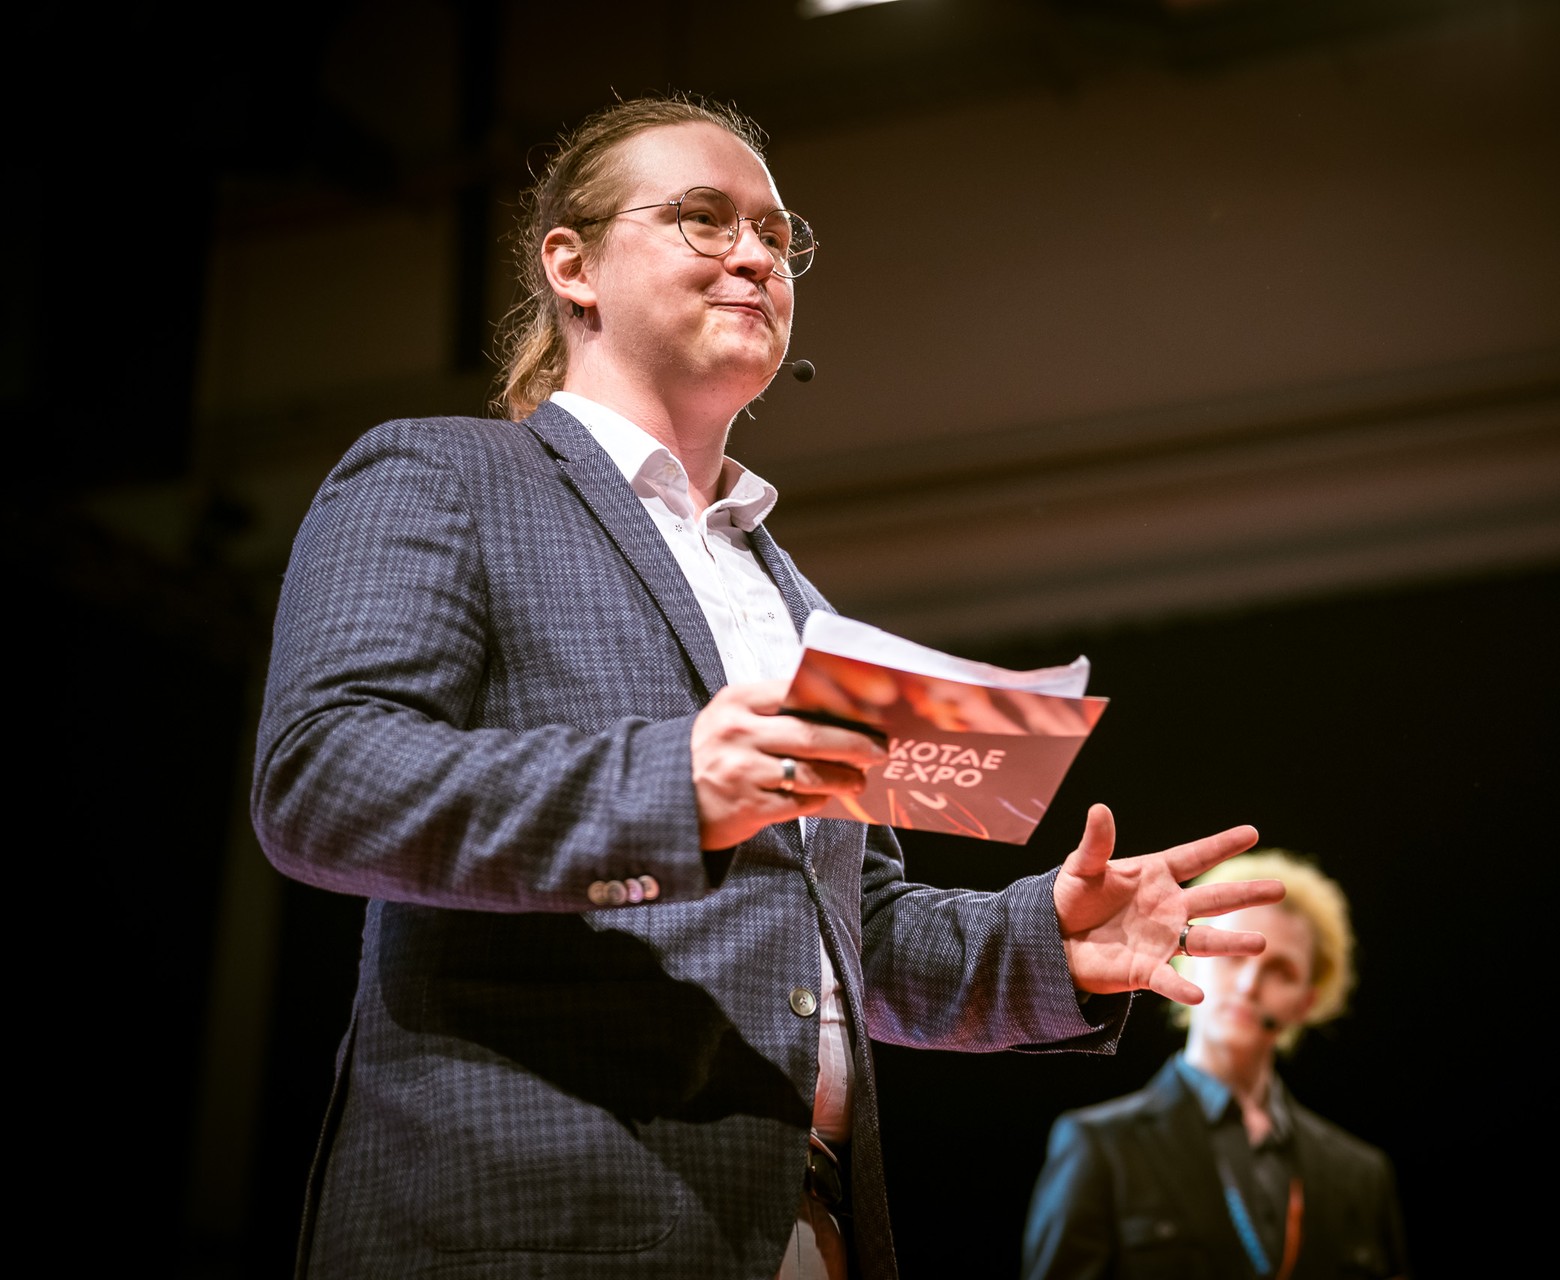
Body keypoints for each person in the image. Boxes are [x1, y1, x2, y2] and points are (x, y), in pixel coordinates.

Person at [251, 93, 1280, 1280]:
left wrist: (1045, 943)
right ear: (572, 265)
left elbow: (849, 934)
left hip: (803, 1232)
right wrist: (675, 786)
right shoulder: (443, 475)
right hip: (539, 1227)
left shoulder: (793, 599)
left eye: (778, 236)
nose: (755, 255)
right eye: (703, 217)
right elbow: (323, 775)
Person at [1022, 851, 1408, 1280]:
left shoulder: (1361, 1175)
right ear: (1185, 958)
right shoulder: (1100, 1147)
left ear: (1307, 1001)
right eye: (1232, 954)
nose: (1248, 985)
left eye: (1280, 970)